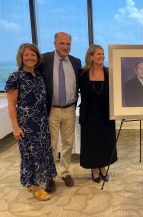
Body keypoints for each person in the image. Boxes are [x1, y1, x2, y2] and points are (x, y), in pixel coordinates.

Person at [5, 43, 57, 201]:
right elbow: (11, 105)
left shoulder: (38, 75)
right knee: (31, 155)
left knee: (41, 154)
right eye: (26, 55)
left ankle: (32, 183)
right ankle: (36, 187)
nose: (30, 58)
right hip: (27, 124)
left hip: (41, 123)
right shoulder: (15, 78)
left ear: (37, 58)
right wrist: (15, 127)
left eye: (33, 55)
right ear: (21, 57)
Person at [40, 32, 82, 192]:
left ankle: (64, 172)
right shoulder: (45, 60)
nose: (65, 47)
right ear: (55, 44)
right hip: (52, 110)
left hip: (70, 109)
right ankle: (49, 176)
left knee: (68, 143)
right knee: (50, 144)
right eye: (62, 43)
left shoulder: (76, 62)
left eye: (68, 44)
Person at [79, 44, 117, 183]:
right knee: (92, 143)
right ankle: (94, 169)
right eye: (98, 54)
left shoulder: (109, 73)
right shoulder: (82, 74)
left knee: (105, 142)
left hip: (106, 114)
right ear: (91, 57)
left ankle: (103, 167)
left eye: (102, 54)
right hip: (89, 115)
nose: (102, 56)